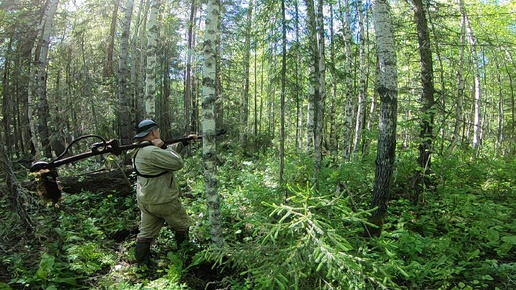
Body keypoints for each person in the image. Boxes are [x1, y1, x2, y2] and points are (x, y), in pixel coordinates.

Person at [130, 119, 197, 267]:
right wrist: (163, 146)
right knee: (182, 226)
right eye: (158, 131)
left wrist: (184, 142)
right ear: (153, 132)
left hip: (147, 200)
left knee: (146, 233)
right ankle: (185, 259)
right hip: (163, 200)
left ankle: (142, 264)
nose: (159, 133)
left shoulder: (140, 149)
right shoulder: (152, 151)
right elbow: (176, 162)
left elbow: (162, 154)